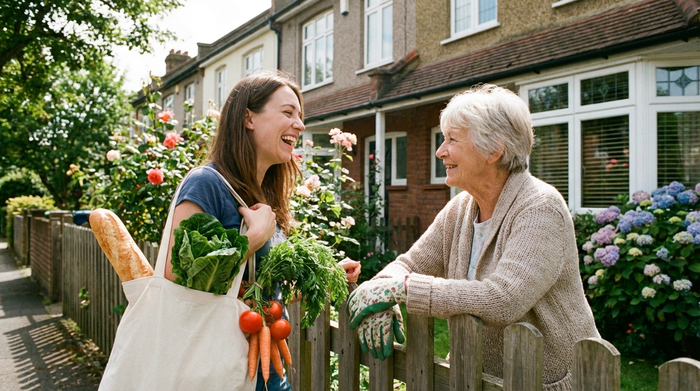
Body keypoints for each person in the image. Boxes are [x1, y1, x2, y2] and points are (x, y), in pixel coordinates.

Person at [347, 84, 599, 391]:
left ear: (494, 149)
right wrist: (383, 295)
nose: (440, 151)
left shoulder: (541, 208)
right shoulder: (462, 208)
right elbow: (408, 265)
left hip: (548, 382)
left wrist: (401, 290)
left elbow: (503, 300)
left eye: (452, 139)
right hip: (477, 377)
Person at [165, 71, 361, 391]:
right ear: (248, 118)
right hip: (213, 374)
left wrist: (326, 276)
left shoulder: (264, 195)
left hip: (266, 374)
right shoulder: (205, 184)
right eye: (287, 113)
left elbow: (268, 291)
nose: (299, 125)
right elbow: (177, 276)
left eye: (300, 116)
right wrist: (255, 238)